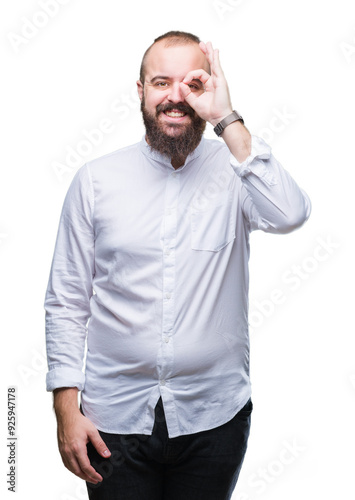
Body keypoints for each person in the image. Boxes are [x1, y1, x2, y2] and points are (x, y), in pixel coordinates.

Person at [45, 31, 311, 500]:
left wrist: (227, 118)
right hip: (114, 421)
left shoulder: (237, 171)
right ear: (141, 90)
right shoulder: (95, 181)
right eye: (160, 82)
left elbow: (290, 214)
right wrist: (66, 408)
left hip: (214, 417)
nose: (175, 96)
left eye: (192, 83)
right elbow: (66, 300)